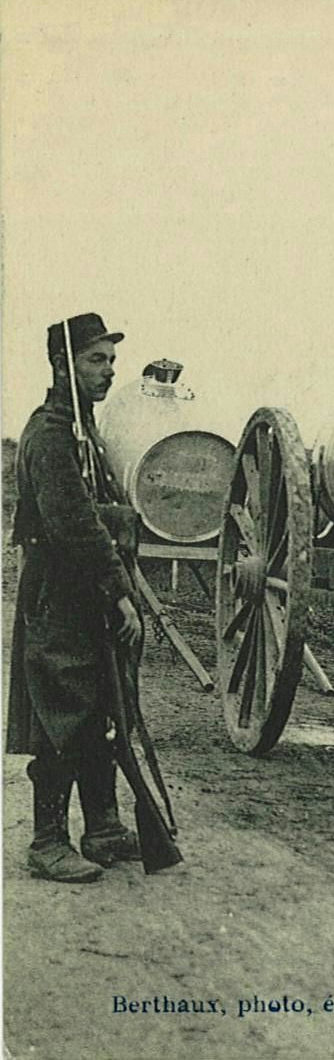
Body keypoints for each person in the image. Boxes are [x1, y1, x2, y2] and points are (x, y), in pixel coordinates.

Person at [7, 314, 145, 882]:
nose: (109, 371)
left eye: (111, 360)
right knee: (63, 712)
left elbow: (95, 514)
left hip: (82, 588)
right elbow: (72, 525)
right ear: (63, 365)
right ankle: (46, 843)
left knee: (101, 704)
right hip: (61, 593)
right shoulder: (51, 434)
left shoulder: (85, 431)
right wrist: (120, 590)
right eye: (96, 360)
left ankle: (104, 829)